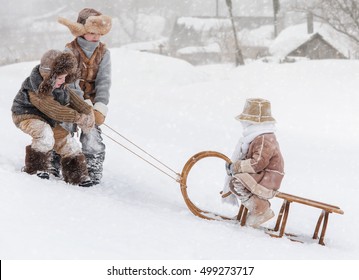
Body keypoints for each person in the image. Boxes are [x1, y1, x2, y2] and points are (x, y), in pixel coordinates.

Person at [11, 49, 95, 187]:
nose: (62, 82)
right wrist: (79, 118)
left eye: (65, 78)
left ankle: (77, 175)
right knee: (45, 135)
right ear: (49, 75)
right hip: (26, 115)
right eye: (60, 78)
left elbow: (72, 98)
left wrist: (87, 111)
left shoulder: (59, 84)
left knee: (67, 142)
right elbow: (54, 110)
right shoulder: (37, 87)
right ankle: (36, 167)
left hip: (47, 119)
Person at [57, 8, 112, 185]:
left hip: (91, 102)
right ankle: (55, 160)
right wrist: (83, 105)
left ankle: (92, 167)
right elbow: (71, 82)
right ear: (80, 30)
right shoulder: (69, 50)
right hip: (67, 98)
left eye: (99, 33)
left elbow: (104, 81)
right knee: (64, 129)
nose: (95, 37)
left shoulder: (104, 52)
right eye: (91, 33)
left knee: (92, 133)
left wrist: (100, 106)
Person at [223, 98, 285, 228]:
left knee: (238, 182)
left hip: (268, 177)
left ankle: (261, 209)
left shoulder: (264, 138)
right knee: (237, 181)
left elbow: (258, 163)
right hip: (262, 175)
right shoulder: (257, 136)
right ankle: (255, 208)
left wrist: (237, 166)